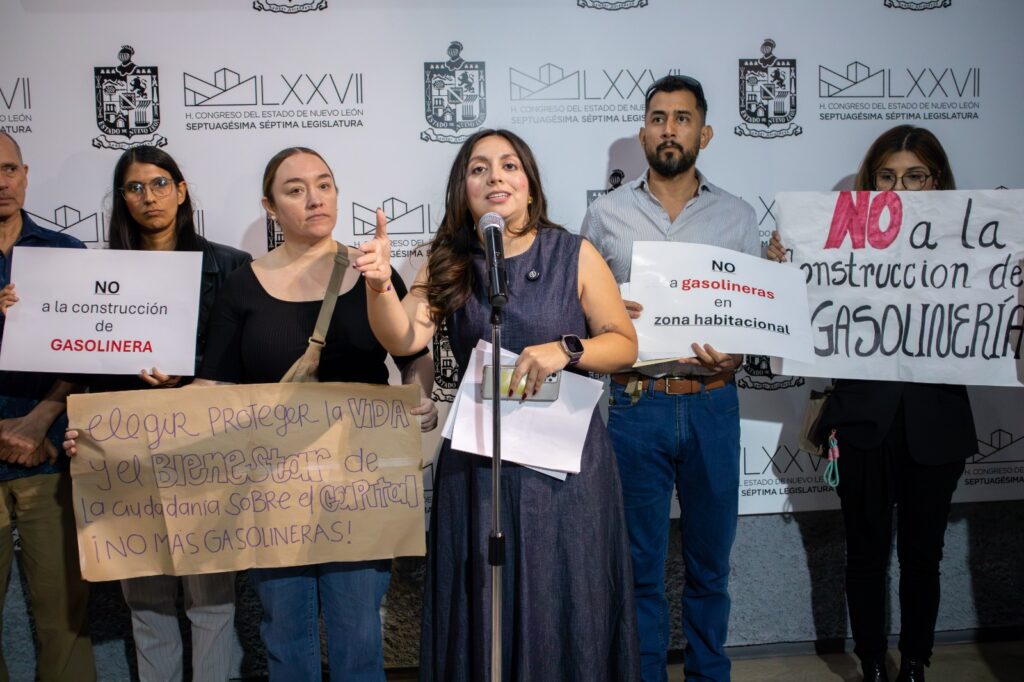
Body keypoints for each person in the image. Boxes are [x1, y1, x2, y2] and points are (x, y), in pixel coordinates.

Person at [357, 128, 641, 681]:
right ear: (463, 189)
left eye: (509, 166)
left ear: (529, 184)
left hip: (564, 472)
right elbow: (403, 337)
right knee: (484, 599)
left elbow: (623, 343)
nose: (495, 177)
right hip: (478, 466)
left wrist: (567, 349)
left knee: (564, 598)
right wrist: (378, 287)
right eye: (479, 168)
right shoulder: (448, 260)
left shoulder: (574, 254)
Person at [194, 146, 437, 681]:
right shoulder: (242, 285)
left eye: (324, 185)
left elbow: (413, 356)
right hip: (272, 488)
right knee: (285, 637)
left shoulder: (374, 273)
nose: (314, 198)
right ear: (270, 206)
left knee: (358, 635)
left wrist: (417, 393)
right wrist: (120, 429)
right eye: (295, 189)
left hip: (361, 482)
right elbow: (213, 386)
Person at [768, 125, 976, 682]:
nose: (899, 189)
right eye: (887, 176)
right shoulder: (841, 243)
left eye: (914, 177)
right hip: (861, 421)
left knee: (923, 555)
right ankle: (871, 663)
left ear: (937, 182)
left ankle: (916, 661)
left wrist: (1011, 277)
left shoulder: (971, 246)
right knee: (864, 552)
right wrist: (783, 268)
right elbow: (799, 320)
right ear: (869, 181)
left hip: (937, 423)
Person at [580, 75, 760, 682]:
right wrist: (606, 314)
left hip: (714, 403)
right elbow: (575, 306)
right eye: (658, 118)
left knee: (711, 566)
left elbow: (754, 316)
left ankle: (710, 674)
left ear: (704, 134)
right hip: (638, 405)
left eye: (683, 119)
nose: (669, 129)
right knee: (639, 568)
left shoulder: (738, 217)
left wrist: (739, 354)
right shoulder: (604, 215)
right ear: (643, 134)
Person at [63, 145, 249, 682]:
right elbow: (86, 364)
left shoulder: (231, 266)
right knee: (145, 604)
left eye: (160, 183)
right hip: (127, 457)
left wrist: (187, 378)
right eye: (135, 187)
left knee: (211, 600)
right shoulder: (97, 274)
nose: (150, 197)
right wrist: (84, 429)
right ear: (122, 199)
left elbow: (246, 362)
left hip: (204, 451)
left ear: (181, 190)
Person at [0, 131, 96, 682]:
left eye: (9, 169)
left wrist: (38, 420)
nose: (2, 182)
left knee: (65, 618)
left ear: (26, 174)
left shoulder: (65, 252)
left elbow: (92, 349)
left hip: (50, 459)